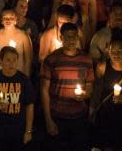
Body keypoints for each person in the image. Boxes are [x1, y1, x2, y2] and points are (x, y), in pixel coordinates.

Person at [40, 22, 94, 151]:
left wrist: (85, 95)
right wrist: (48, 120)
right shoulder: (51, 60)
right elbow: (44, 90)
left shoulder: (86, 60)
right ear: (61, 38)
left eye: (74, 37)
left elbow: (90, 86)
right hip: (57, 116)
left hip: (79, 116)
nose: (71, 40)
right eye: (67, 37)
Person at [90, 27, 122, 150]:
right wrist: (92, 108)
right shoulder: (102, 67)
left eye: (120, 51)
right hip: (106, 112)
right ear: (108, 51)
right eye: (113, 51)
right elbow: (97, 89)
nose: (116, 54)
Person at [0, 46, 35, 151]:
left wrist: (28, 131)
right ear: (1, 61)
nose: (12, 63)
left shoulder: (24, 80)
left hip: (18, 129)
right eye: (8, 60)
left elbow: (30, 106)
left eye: (14, 60)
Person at [0, 9, 33, 77]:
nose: (8, 20)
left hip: (18, 74)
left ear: (15, 20)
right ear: (2, 21)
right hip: (0, 75)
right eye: (5, 18)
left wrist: (26, 78)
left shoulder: (24, 36)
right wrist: (5, 58)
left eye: (11, 18)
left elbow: (28, 60)